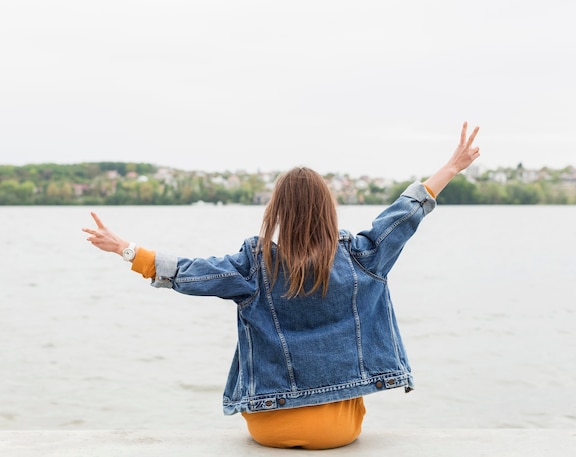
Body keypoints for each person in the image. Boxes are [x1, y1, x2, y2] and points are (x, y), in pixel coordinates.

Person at [83, 122, 480, 449]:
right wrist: (452, 166)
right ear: (327, 209)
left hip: (267, 428)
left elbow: (190, 273)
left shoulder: (254, 266)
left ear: (276, 212)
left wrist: (126, 250)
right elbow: (404, 215)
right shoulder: (365, 255)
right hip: (336, 433)